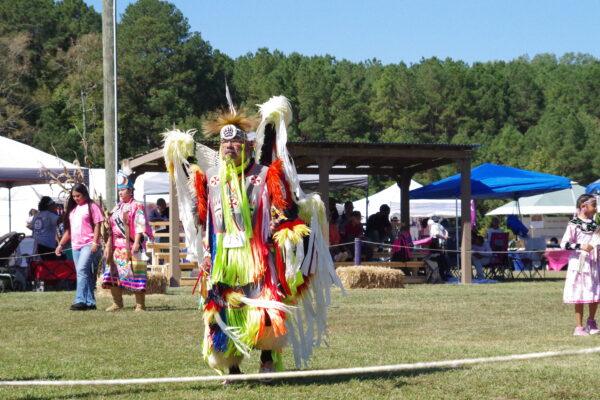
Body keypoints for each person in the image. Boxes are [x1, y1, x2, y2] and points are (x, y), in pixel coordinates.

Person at [163, 95, 341, 376]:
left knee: (265, 306)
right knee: (223, 309)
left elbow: (283, 209)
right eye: (225, 143)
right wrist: (207, 252)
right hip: (223, 259)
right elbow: (204, 219)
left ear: (247, 146)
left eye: (236, 143)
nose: (229, 147)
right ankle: (232, 367)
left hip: (258, 256)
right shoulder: (211, 179)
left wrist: (284, 227)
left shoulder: (265, 175)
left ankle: (267, 359)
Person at [102, 171, 153, 312]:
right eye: (119, 190)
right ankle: (117, 303)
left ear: (130, 191)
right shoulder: (117, 207)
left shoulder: (137, 206)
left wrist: (136, 243)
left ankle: (140, 304)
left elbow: (140, 225)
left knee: (136, 273)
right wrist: (108, 245)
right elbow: (111, 229)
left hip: (131, 245)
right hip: (116, 246)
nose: (120, 192)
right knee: (113, 273)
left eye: (123, 190)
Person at [55, 184, 103, 311]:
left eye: (78, 196)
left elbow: (98, 225)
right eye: (74, 196)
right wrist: (60, 245)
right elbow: (69, 230)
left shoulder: (92, 206)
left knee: (81, 270)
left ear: (84, 194)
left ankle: (80, 300)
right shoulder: (73, 210)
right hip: (75, 246)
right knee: (84, 272)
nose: (76, 198)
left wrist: (95, 242)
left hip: (89, 244)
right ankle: (90, 302)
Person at [561, 194, 600, 336]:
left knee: (594, 292)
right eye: (594, 205)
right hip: (579, 264)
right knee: (579, 292)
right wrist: (581, 246)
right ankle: (579, 327)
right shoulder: (574, 223)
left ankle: (591, 322)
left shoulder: (595, 225)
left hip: (594, 263)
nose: (596, 208)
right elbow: (564, 244)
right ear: (584, 206)